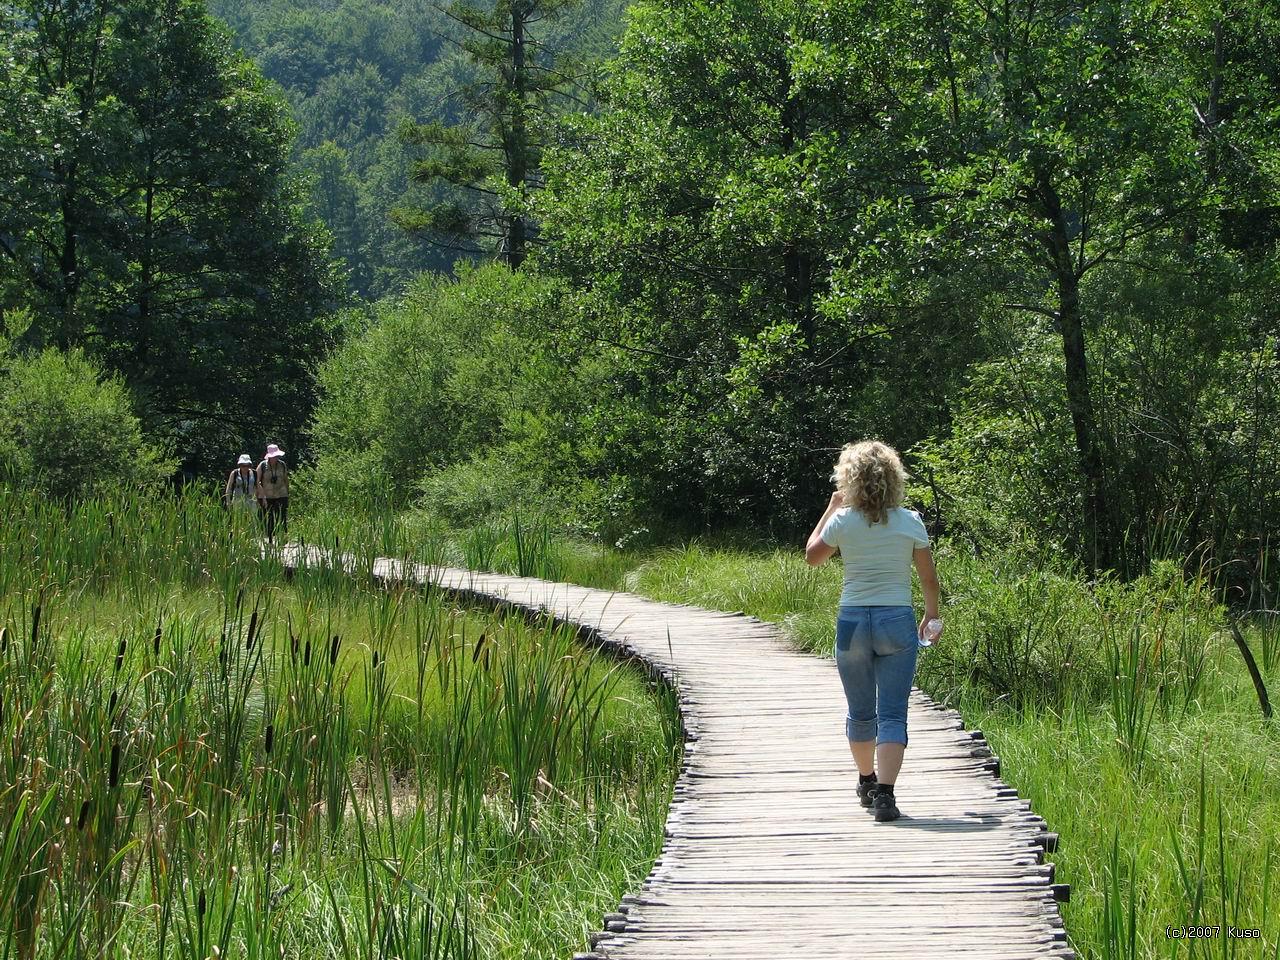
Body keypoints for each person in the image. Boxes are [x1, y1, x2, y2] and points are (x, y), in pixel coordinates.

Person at [804, 440, 942, 822]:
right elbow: (929, 580)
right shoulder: (910, 521)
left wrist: (831, 508)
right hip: (895, 619)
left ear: (849, 479)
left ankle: (866, 779)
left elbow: (812, 557)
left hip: (852, 622)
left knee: (861, 711)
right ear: (894, 478)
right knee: (894, 713)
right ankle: (885, 795)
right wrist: (931, 617)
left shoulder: (843, 521)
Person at [256, 443, 290, 542]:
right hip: (268, 495)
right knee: (269, 517)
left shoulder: (282, 465)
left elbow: (285, 479)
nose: (275, 457)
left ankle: (284, 537)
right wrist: (261, 496)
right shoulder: (262, 465)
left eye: (276, 455)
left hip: (281, 494)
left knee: (282, 516)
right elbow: (257, 481)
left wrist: (287, 493)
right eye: (273, 456)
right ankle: (270, 539)